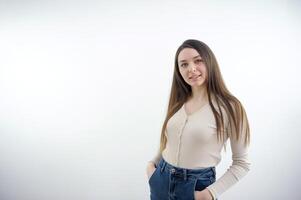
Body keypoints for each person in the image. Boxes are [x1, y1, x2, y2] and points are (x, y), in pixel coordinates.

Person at [146, 39, 251, 200]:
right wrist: (151, 167)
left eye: (198, 60)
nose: (191, 69)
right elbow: (168, 140)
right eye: (184, 64)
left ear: (209, 62)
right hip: (160, 179)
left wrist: (208, 194)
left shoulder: (231, 107)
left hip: (196, 187)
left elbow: (242, 163)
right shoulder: (178, 101)